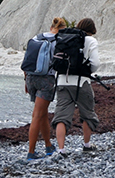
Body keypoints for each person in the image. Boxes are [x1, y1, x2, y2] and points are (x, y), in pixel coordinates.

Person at [52, 18, 101, 156]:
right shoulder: (90, 40)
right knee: (87, 113)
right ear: (92, 30)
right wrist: (87, 71)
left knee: (61, 116)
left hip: (62, 81)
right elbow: (95, 63)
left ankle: (61, 149)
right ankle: (86, 145)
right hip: (81, 82)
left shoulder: (64, 37)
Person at [22, 17, 67, 160]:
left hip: (30, 77)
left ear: (51, 26)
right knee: (37, 115)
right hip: (46, 79)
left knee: (42, 113)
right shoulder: (58, 41)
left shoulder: (37, 37)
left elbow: (27, 59)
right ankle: (31, 152)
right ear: (63, 29)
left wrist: (26, 80)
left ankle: (48, 146)